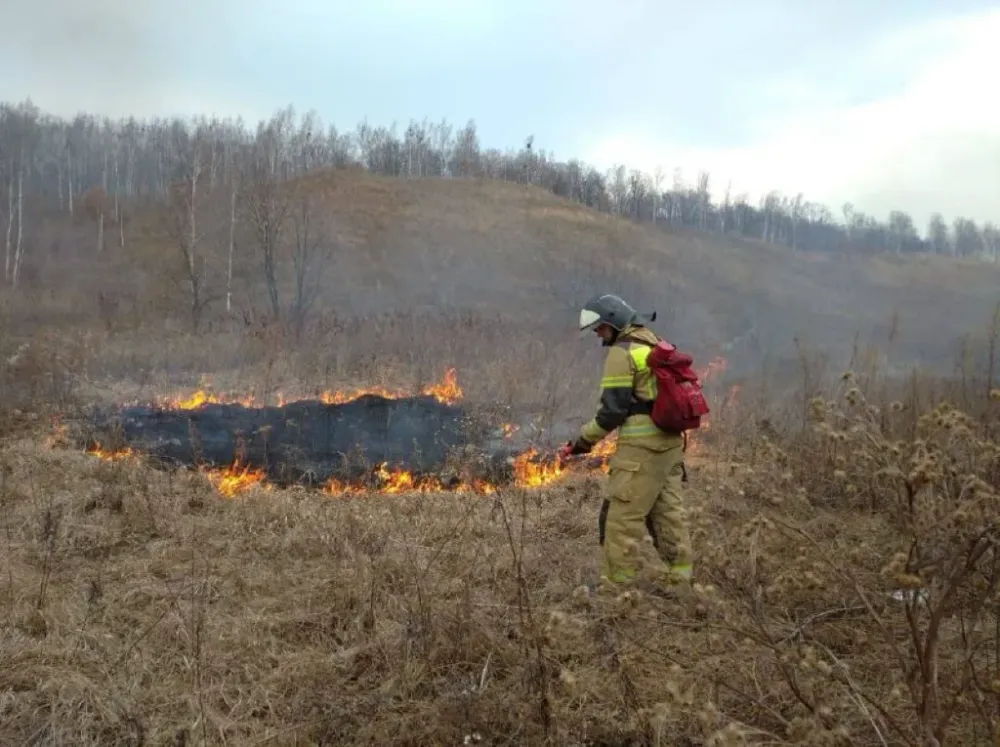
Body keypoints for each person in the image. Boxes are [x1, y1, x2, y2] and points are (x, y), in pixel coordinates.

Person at [558, 293, 694, 589]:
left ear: (615, 322)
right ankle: (681, 586)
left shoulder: (622, 352)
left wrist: (579, 444)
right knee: (669, 517)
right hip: (670, 448)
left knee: (620, 522)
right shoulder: (654, 341)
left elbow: (611, 412)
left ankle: (617, 595)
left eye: (600, 328)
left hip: (640, 453)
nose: (598, 334)